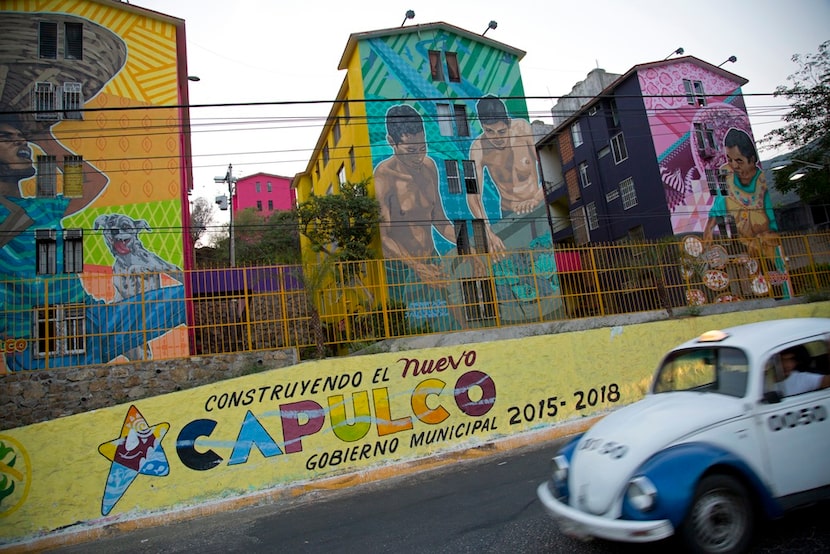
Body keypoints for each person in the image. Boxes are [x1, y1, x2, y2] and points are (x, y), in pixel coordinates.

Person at [702, 127, 780, 262]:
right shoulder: (727, 177)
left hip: (766, 253)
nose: (733, 165)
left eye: (739, 160)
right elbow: (716, 212)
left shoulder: (762, 186)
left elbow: (773, 230)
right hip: (740, 250)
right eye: (729, 159)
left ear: (752, 159)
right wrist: (706, 241)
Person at [470, 95, 543, 217]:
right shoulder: (477, 149)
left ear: (508, 123)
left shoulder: (522, 129)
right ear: (483, 127)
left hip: (538, 203)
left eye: (501, 131)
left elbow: (547, 164)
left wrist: (537, 198)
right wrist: (487, 231)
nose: (496, 138)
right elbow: (473, 195)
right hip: (509, 212)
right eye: (489, 131)